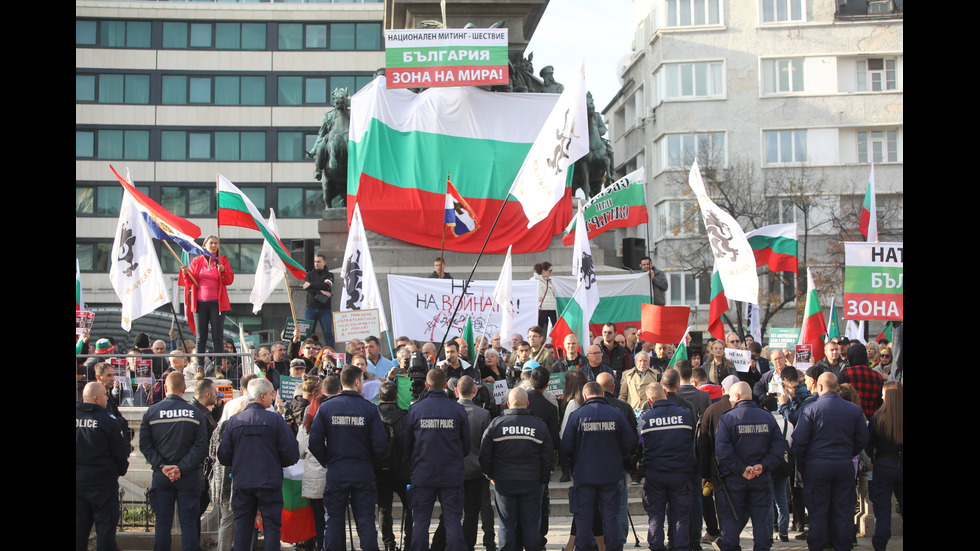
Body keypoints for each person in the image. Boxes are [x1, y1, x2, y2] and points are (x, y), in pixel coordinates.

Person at [309, 365, 389, 551]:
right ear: (357, 381)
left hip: (337, 470)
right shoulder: (369, 409)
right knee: (366, 519)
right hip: (362, 471)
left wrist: (329, 460)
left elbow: (315, 442)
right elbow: (381, 445)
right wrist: (370, 463)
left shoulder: (327, 408)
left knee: (335, 519)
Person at [217, 378, 300, 551]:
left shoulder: (234, 421)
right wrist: (277, 462)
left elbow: (224, 455)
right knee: (271, 528)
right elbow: (291, 453)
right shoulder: (275, 420)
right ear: (262, 396)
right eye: (271, 394)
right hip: (269, 483)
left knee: (242, 527)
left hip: (243, 482)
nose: (273, 398)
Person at [791, 373, 869, 551]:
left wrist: (806, 459)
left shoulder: (811, 409)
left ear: (819, 387)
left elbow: (799, 441)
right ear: (837, 387)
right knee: (843, 510)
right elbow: (863, 438)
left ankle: (819, 546)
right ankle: (842, 545)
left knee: (818, 511)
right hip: (843, 463)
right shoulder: (854, 410)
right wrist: (849, 452)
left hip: (817, 465)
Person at [560, 382, 636, 551]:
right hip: (611, 475)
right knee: (610, 517)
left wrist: (574, 462)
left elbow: (566, 446)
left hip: (584, 474)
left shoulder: (577, 415)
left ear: (585, 397)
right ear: (602, 395)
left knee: (583, 516)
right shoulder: (616, 414)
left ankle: (583, 547)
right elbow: (630, 443)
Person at [139, 372, 208, 551]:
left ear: (166, 388)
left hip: (161, 476)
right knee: (190, 524)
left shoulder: (152, 412)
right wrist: (181, 468)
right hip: (188, 476)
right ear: (184, 389)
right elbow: (201, 446)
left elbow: (145, 445)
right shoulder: (195, 412)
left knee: (162, 524)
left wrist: (162, 466)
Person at [714, 382, 785, 551]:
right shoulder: (767, 417)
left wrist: (741, 469)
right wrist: (763, 466)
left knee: (732, 519)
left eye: (731, 397)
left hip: (734, 479)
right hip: (761, 478)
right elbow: (779, 447)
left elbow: (722, 450)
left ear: (737, 397)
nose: (730, 401)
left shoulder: (728, 418)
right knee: (760, 520)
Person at [480, 387, 553, 551]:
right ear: (527, 404)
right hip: (531, 482)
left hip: (504, 483)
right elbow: (548, 457)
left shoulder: (496, 425)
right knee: (531, 524)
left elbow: (484, 455)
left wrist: (491, 475)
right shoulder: (539, 426)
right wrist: (543, 479)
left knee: (506, 525)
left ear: (507, 404)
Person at [406, 369, 470, 551]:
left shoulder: (415, 409)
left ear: (426, 385)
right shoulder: (457, 409)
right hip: (451, 473)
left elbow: (407, 445)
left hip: (423, 472)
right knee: (453, 521)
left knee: (420, 521)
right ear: (445, 386)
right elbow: (466, 445)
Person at [637, 383, 694, 551]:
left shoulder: (645, 418)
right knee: (681, 515)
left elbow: (639, 442)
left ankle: (656, 546)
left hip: (655, 473)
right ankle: (682, 547)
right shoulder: (685, 414)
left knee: (655, 516)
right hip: (681, 472)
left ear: (649, 400)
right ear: (666, 394)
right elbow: (691, 439)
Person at [76, 382, 130, 551]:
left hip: (78, 484)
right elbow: (120, 453)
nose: (108, 398)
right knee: (106, 531)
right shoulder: (109, 421)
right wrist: (120, 471)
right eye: (106, 395)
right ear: (97, 398)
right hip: (103, 485)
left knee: (78, 531)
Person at [179, 235, 234, 364]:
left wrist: (223, 271)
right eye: (211, 243)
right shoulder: (197, 261)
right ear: (204, 245)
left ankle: (218, 367)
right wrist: (185, 273)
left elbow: (229, 280)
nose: (214, 245)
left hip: (217, 303)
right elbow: (190, 282)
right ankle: (199, 367)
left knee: (217, 337)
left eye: (216, 243)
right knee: (200, 337)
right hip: (200, 303)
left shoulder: (222, 261)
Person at [376, 381, 412, 551]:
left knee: (384, 508)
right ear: (396, 396)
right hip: (403, 470)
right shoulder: (405, 416)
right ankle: (409, 542)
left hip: (380, 470)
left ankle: (389, 544)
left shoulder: (373, 415)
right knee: (410, 507)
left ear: (380, 397)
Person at [867, 381, 903, 551]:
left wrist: (874, 457)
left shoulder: (878, 418)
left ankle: (880, 544)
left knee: (882, 510)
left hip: (883, 463)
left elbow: (868, 444)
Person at [838, 344, 884, 420]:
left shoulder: (846, 373)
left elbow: (838, 396)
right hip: (871, 420)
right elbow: (879, 402)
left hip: (850, 419)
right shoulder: (878, 376)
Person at [303, 253, 336, 348]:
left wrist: (311, 285)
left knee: (328, 333)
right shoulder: (309, 274)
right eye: (315, 261)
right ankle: (307, 353)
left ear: (324, 262)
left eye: (318, 261)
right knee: (308, 334)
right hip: (310, 308)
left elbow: (327, 286)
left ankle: (331, 353)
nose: (316, 264)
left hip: (324, 309)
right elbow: (307, 288)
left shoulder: (329, 275)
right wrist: (321, 291)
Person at [531, 263, 557, 329]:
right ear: (543, 270)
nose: (551, 273)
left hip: (552, 308)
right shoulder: (534, 280)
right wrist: (535, 297)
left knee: (555, 329)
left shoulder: (549, 281)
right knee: (539, 329)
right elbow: (528, 292)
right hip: (542, 308)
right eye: (550, 271)